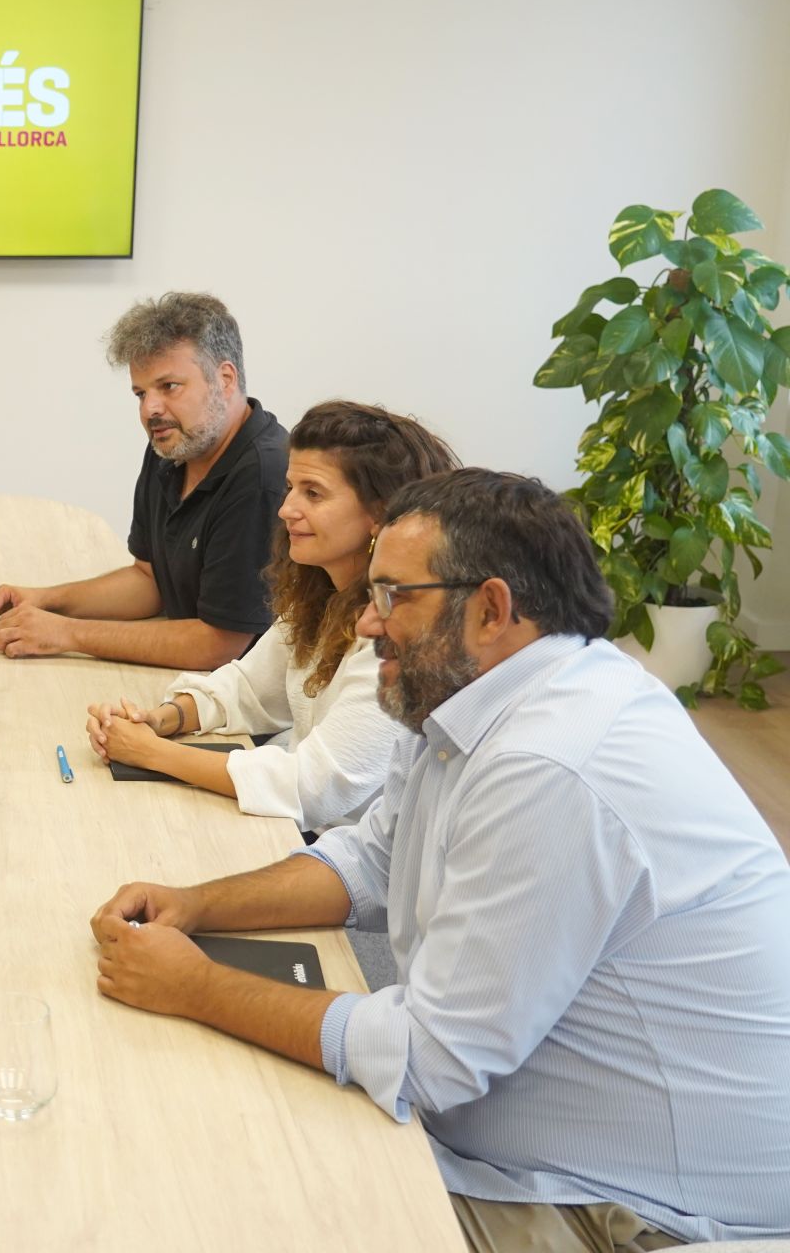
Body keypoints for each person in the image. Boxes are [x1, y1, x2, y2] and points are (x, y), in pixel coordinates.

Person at [88, 469, 790, 1250]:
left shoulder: (554, 764)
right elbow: (371, 860)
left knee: (235, 1189)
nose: (365, 626)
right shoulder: (480, 700)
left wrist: (197, 985)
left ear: (491, 608)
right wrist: (198, 905)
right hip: (525, 1146)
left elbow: (430, 1056)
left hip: (638, 1210)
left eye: (393, 597)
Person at [85, 401, 458, 833]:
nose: (285, 510)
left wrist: (152, 753)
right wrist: (163, 719)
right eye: (290, 488)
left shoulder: (398, 633)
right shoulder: (322, 592)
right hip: (294, 833)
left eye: (313, 493)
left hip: (338, 863)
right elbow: (249, 688)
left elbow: (314, 790)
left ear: (379, 513)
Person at [0, 292, 288, 669]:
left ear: (224, 379)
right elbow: (150, 581)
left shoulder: (263, 475)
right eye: (141, 393)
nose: (149, 409)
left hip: (248, 716)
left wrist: (66, 633)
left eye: (168, 386)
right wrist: (43, 600)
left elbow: (219, 644)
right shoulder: (174, 445)